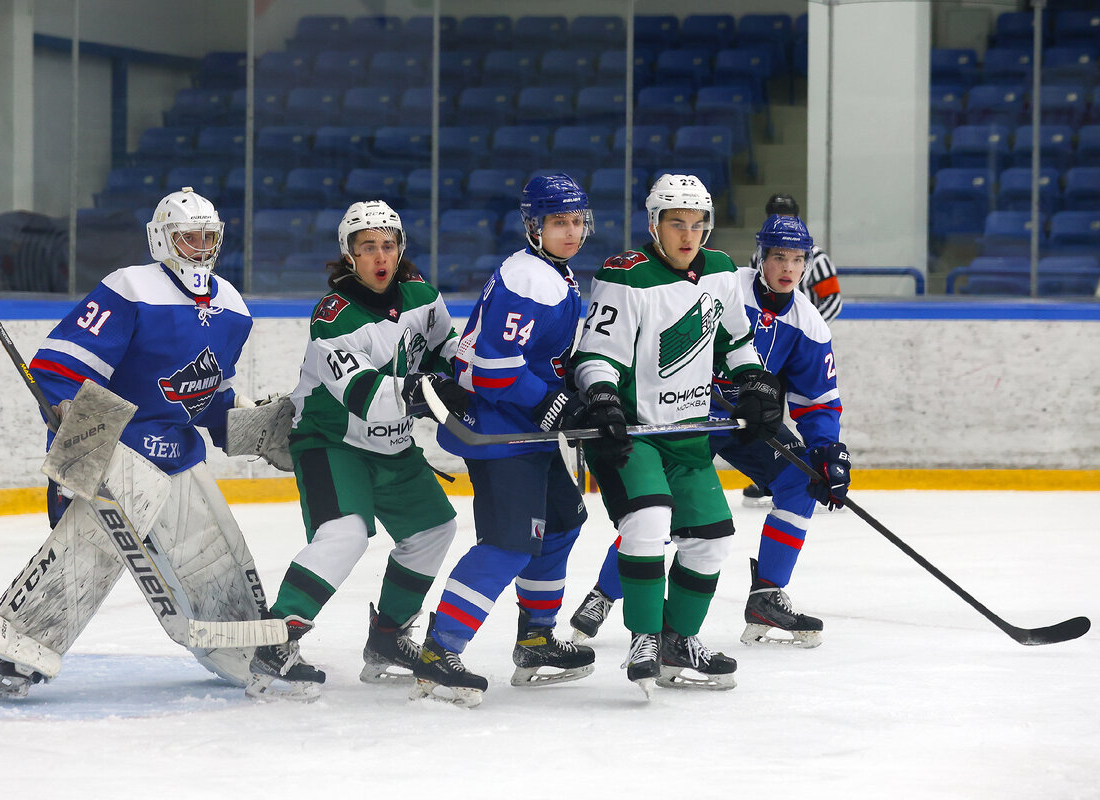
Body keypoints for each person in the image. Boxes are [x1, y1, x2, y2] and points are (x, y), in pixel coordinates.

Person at [0, 187, 267, 697]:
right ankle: (19, 649)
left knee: (216, 555)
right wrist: (68, 414)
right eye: (189, 236)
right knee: (90, 551)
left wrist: (251, 423)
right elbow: (60, 366)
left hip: (180, 454)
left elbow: (209, 396)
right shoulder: (131, 287)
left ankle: (244, 649)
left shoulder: (233, 305)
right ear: (162, 239)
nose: (201, 247)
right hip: (118, 448)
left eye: (209, 237)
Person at [569, 213, 850, 650]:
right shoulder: (722, 282)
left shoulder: (808, 323)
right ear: (760, 257)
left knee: (802, 477)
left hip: (741, 422)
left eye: (798, 260)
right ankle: (603, 594)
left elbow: (817, 400)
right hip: (681, 414)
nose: (788, 269)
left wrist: (828, 449)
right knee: (659, 509)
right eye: (779, 257)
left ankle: (767, 593)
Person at [246, 200, 467, 701]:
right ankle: (277, 642)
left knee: (434, 530)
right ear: (349, 255)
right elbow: (363, 395)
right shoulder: (333, 316)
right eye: (367, 247)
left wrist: (476, 376)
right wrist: (428, 390)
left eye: (388, 245)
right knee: (345, 534)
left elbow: (447, 351)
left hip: (393, 445)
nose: (380, 256)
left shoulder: (423, 296)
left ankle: (387, 637)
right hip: (332, 442)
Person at [570, 174, 784, 692]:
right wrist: (601, 396)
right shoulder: (626, 275)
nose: (688, 235)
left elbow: (736, 341)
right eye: (676, 223)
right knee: (648, 522)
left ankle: (677, 642)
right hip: (632, 433)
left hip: (688, 436)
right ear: (654, 224)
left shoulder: (721, 271)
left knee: (712, 541)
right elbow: (595, 355)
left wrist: (754, 382)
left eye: (697, 224)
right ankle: (644, 636)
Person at [409, 173, 605, 708]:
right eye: (558, 222)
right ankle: (439, 650)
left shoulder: (552, 273)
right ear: (534, 226)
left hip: (527, 430)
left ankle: (536, 639)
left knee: (562, 522)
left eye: (577, 221)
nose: (571, 231)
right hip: (501, 432)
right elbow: (491, 366)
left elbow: (542, 358)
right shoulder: (528, 279)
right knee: (509, 543)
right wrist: (551, 402)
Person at [743, 193, 841, 508]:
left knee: (782, 405)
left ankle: (775, 468)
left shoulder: (818, 257)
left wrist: (802, 329)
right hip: (760, 348)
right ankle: (763, 471)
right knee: (762, 404)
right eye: (775, 213)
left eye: (797, 260)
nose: (788, 267)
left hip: (794, 346)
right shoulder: (758, 256)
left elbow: (833, 299)